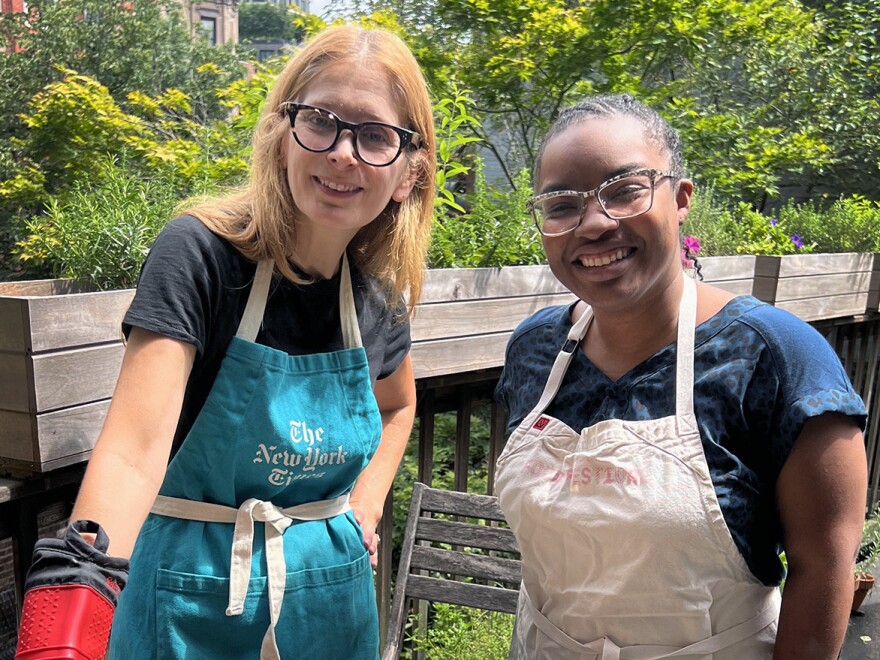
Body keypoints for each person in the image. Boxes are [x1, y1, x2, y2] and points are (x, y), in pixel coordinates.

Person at [15, 25, 435, 660]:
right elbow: (133, 451)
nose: (345, 153)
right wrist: (71, 608)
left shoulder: (377, 296)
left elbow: (399, 404)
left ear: (408, 173)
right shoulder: (201, 257)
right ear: (279, 134)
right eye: (321, 121)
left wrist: (368, 504)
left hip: (330, 603)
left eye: (376, 136)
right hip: (189, 600)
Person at [493, 94, 868, 659]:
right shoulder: (535, 350)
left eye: (624, 191)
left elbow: (823, 569)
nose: (594, 223)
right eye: (561, 204)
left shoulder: (775, 357)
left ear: (681, 198)